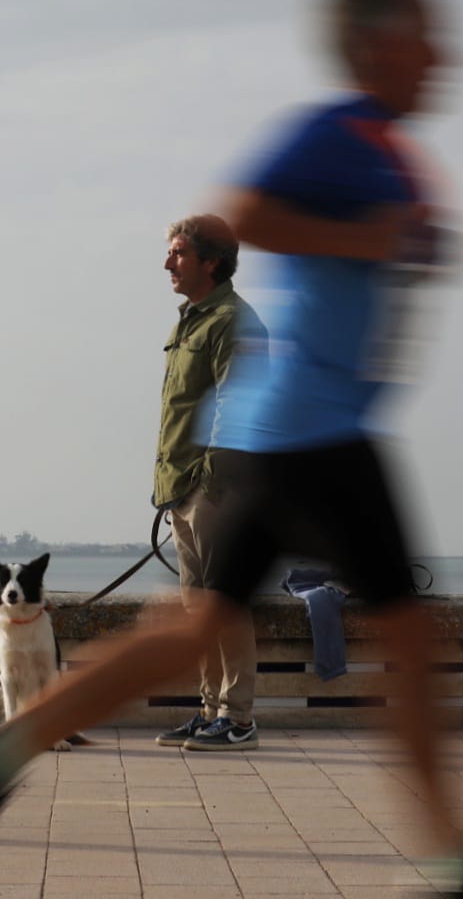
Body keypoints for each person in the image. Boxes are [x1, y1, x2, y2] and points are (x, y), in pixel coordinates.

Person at [0, 0, 463, 897]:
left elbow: (384, 254)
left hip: (287, 433)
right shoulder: (338, 132)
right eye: (428, 35)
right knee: (403, 634)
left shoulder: (392, 152)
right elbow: (244, 211)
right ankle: (458, 859)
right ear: (375, 44)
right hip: (315, 433)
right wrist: (372, 238)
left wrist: (408, 244)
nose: (446, 55)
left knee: (200, 630)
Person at [152, 214, 266, 752]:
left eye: (178, 253)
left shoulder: (234, 322)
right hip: (181, 486)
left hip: (217, 490)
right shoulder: (188, 321)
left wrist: (209, 482)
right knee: (199, 611)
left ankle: (238, 718)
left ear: (210, 262)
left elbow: (238, 408)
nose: (168, 263)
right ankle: (209, 711)